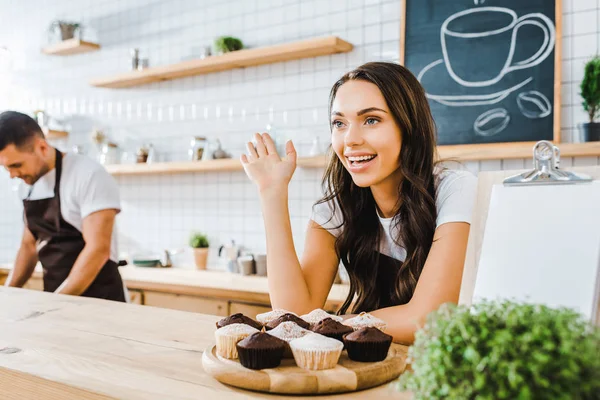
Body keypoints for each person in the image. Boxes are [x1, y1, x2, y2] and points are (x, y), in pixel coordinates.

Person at [241, 62, 477, 343]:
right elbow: (293, 316)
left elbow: (427, 320)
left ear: (409, 126)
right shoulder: (337, 207)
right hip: (380, 367)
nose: (350, 140)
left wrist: (329, 325)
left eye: (371, 120)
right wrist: (272, 193)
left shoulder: (454, 189)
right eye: (339, 123)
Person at [0, 111, 126, 302]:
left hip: (101, 300)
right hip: (58, 297)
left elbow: (98, 249)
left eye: (16, 165)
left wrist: (55, 303)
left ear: (42, 147)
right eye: (6, 167)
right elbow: (29, 246)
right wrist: (6, 294)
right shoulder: (27, 186)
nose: (12, 174)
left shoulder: (88, 175)